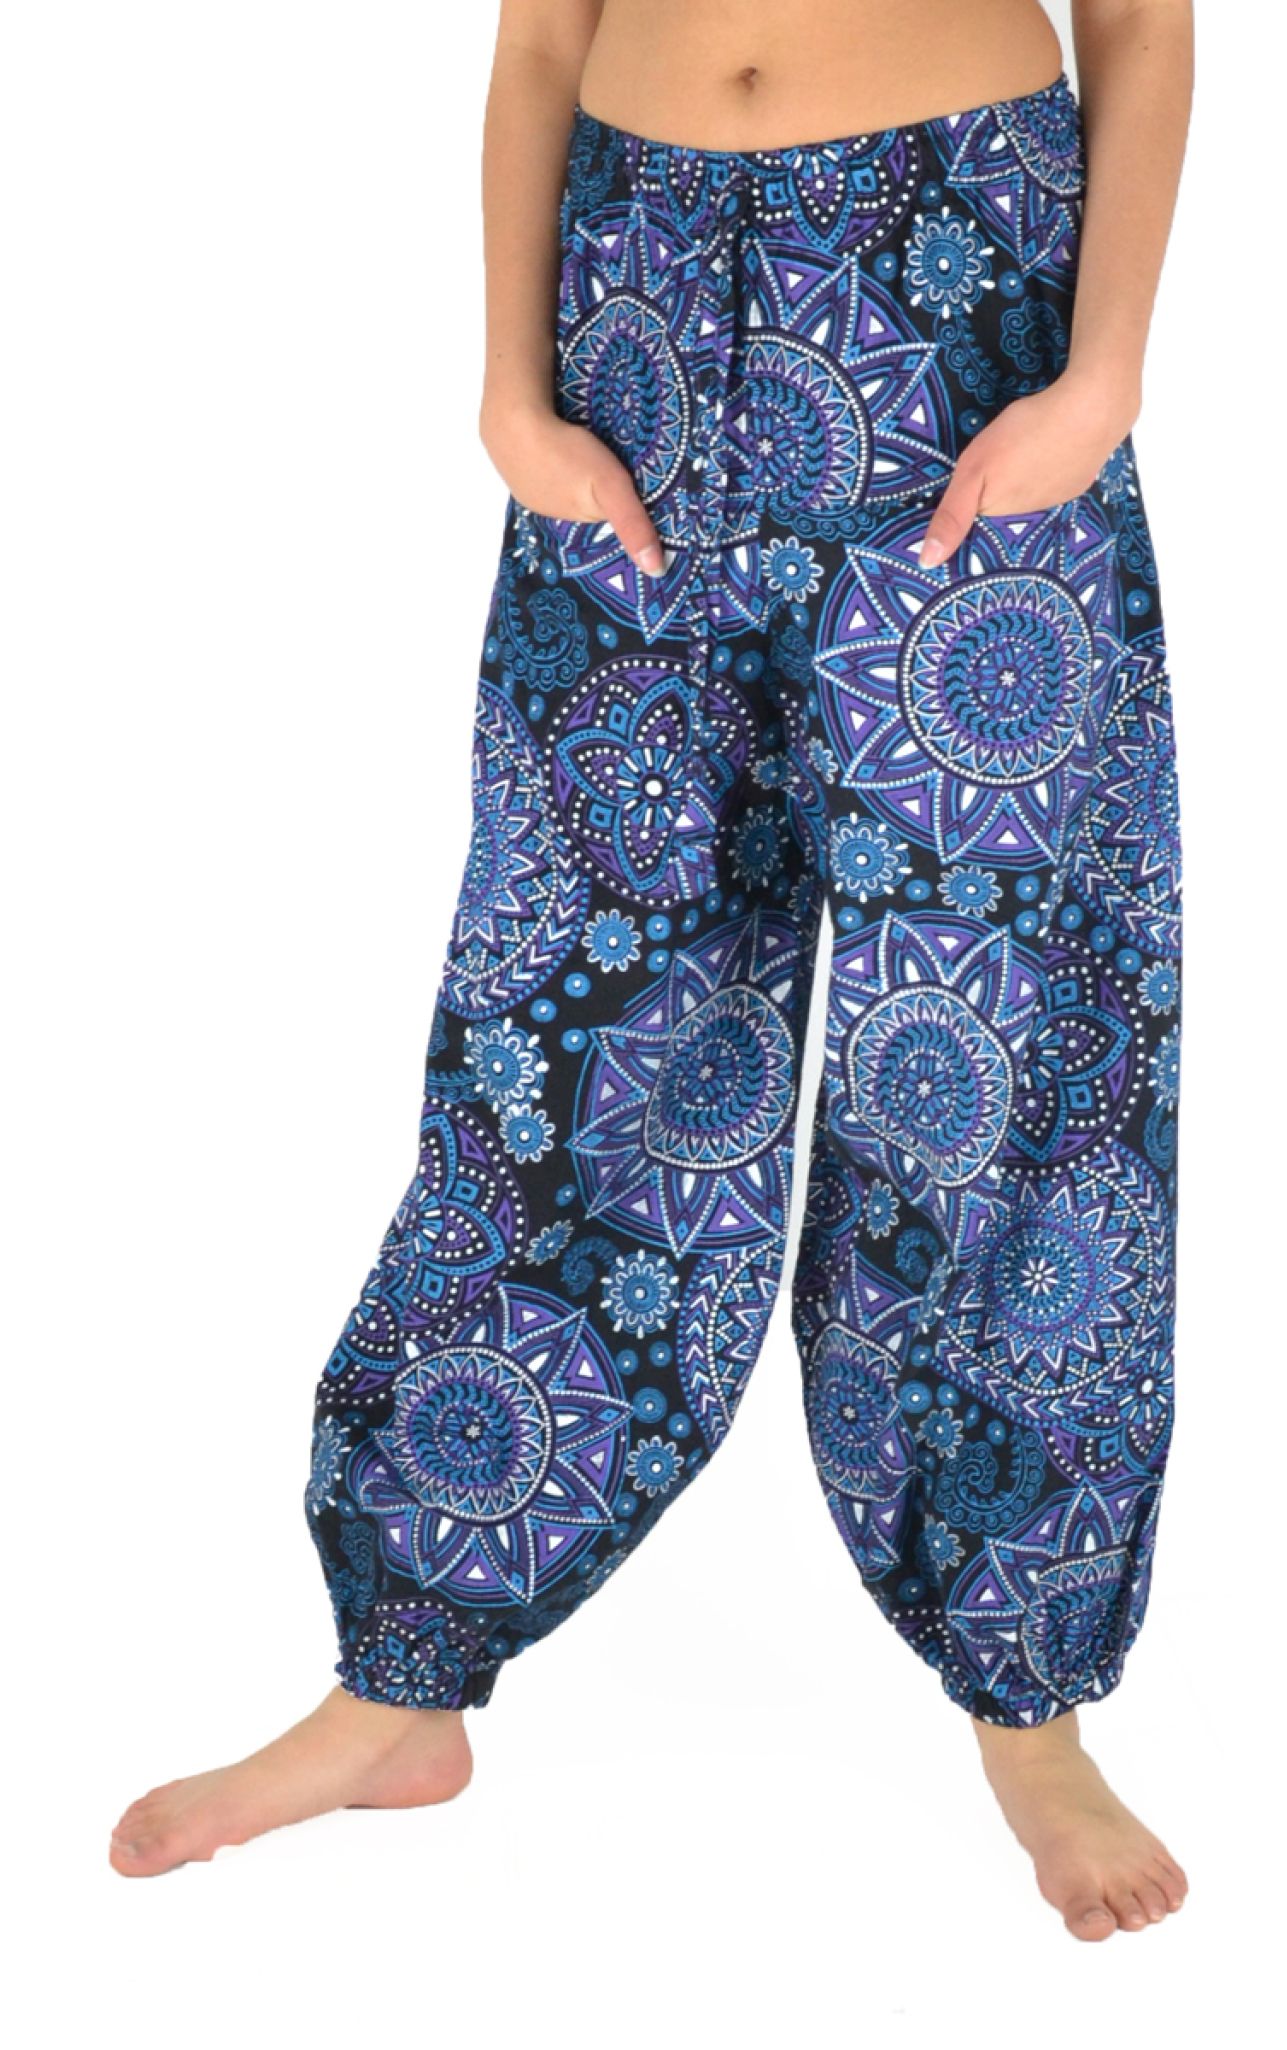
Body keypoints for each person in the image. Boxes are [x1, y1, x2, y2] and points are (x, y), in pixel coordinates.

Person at [111, 0, 1193, 1942]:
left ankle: (1028, 1700)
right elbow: (544, 36)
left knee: (991, 1039)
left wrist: (1105, 364)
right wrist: (509, 388)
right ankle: (406, 1670)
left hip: (956, 304)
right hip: (631, 329)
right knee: (563, 1029)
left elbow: (1136, 12)